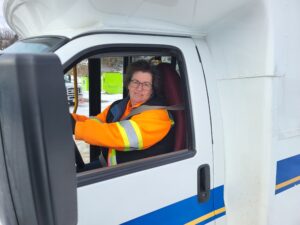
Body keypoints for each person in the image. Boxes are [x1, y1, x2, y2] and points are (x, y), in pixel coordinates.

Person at [71, 60, 174, 169]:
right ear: (128, 84)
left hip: (131, 176)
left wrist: (76, 127)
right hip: (109, 167)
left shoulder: (158, 116)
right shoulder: (119, 105)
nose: (139, 88)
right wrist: (72, 119)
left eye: (146, 84)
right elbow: (98, 122)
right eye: (135, 82)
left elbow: (118, 135)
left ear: (152, 90)